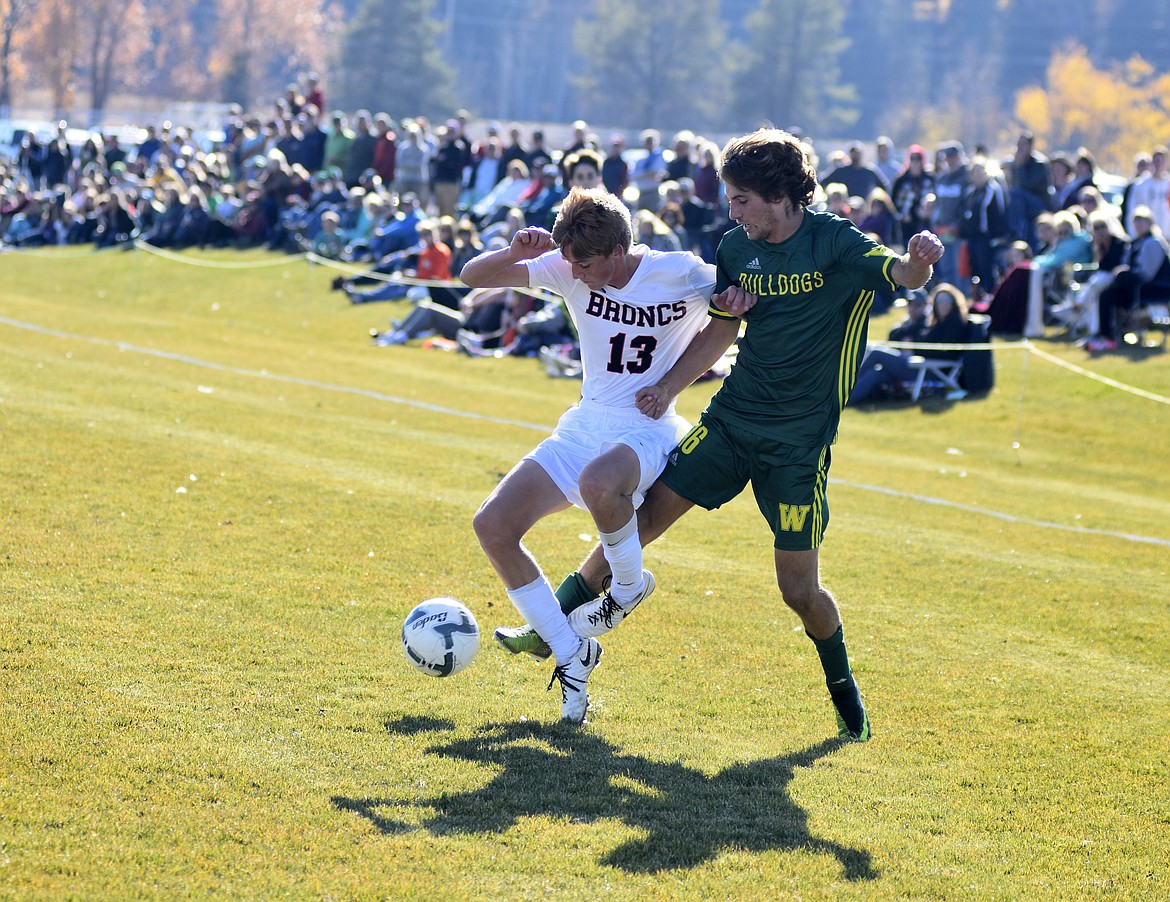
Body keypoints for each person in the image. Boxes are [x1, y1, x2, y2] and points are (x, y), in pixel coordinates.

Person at [497, 129, 945, 742]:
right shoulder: (737, 248)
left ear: (778, 194)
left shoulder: (835, 241)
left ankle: (842, 687)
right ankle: (560, 621)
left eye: (739, 199)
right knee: (640, 516)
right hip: (732, 420)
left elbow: (901, 274)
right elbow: (722, 325)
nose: (730, 211)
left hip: (799, 442)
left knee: (799, 591)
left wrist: (918, 261)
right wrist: (683, 372)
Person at [459, 185, 745, 723]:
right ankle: (573, 652)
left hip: (647, 428)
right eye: (570, 262)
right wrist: (514, 253)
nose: (578, 274)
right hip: (583, 424)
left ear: (618, 251)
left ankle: (630, 586)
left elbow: (728, 320)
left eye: (588, 264)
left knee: (597, 484)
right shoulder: (569, 265)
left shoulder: (679, 271)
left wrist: (674, 382)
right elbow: (471, 277)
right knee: (492, 524)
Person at [848, 283, 969, 403]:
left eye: (946, 299)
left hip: (931, 370)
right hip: (920, 365)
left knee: (876, 353)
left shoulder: (954, 324)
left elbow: (947, 353)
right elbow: (896, 336)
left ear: (954, 302)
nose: (942, 303)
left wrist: (914, 350)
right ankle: (842, 400)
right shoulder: (935, 324)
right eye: (939, 299)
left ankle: (845, 385)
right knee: (877, 374)